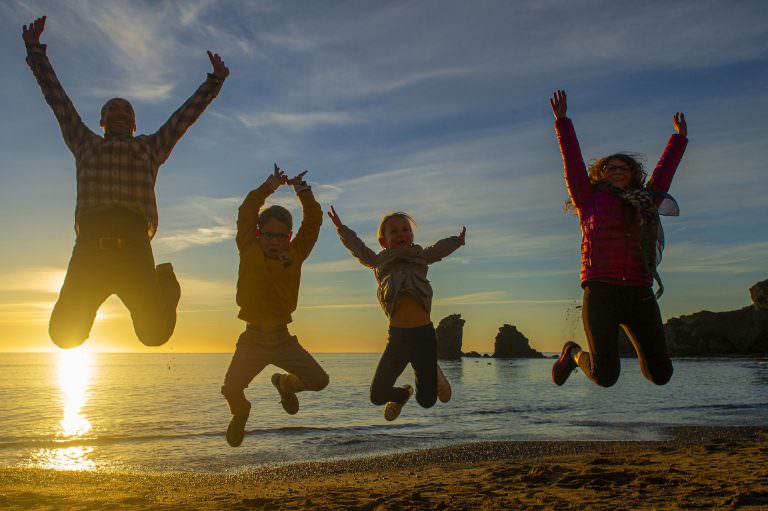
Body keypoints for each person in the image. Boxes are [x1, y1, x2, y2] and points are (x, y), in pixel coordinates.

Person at [22, 16, 229, 349]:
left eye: (126, 111)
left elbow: (183, 117)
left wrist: (214, 82)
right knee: (63, 335)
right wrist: (36, 51)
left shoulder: (150, 148)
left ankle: (166, 285)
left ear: (134, 124)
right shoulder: (85, 142)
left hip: (135, 248)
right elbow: (57, 99)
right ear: (102, 120)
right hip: (90, 249)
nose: (120, 113)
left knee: (155, 335)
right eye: (112, 110)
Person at [548, 89, 688, 388]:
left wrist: (678, 139)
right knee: (605, 376)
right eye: (610, 168)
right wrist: (562, 122)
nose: (616, 172)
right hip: (601, 290)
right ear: (602, 173)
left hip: (639, 289)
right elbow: (572, 161)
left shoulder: (647, 200)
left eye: (623, 169)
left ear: (633, 174)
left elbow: (665, 172)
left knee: (660, 374)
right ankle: (572, 353)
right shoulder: (588, 198)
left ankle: (583, 354)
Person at [221, 164, 328, 447]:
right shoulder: (248, 247)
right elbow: (247, 210)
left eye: (281, 236)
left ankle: (285, 384)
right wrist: (270, 185)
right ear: (259, 234)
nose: (275, 241)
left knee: (319, 381)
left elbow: (313, 222)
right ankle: (241, 412)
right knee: (231, 388)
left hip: (282, 338)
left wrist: (303, 191)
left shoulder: (296, 252)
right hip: (252, 338)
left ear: (289, 237)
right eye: (269, 235)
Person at [328, 207, 464, 421]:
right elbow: (358, 248)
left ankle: (434, 373)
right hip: (398, 337)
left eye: (405, 230)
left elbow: (438, 250)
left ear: (411, 235)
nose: (401, 234)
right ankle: (402, 394)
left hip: (424, 337)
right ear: (384, 241)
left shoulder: (420, 256)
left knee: (427, 401)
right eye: (394, 231)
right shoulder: (378, 261)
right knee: (377, 395)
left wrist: (457, 241)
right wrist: (340, 228)